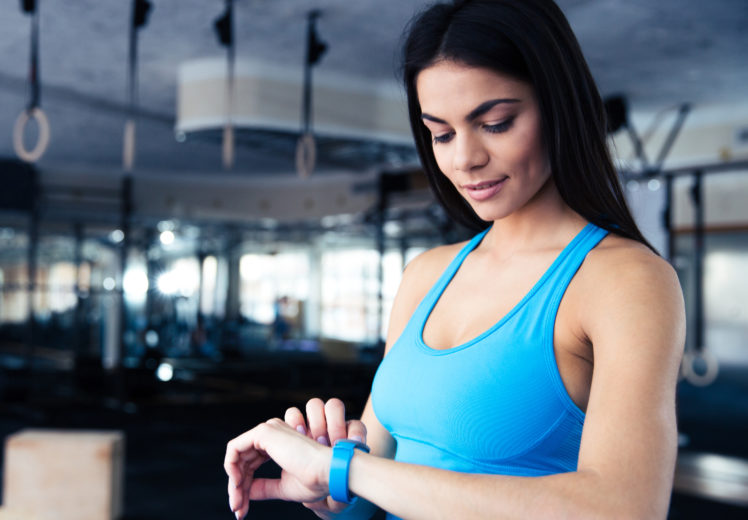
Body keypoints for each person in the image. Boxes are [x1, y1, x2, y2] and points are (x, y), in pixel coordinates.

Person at [224, 0, 686, 518]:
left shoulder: (625, 280)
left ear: (559, 106)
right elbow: (373, 490)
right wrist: (324, 485)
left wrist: (346, 471)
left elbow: (625, 509)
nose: (463, 159)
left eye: (495, 123)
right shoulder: (426, 274)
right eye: (440, 134)